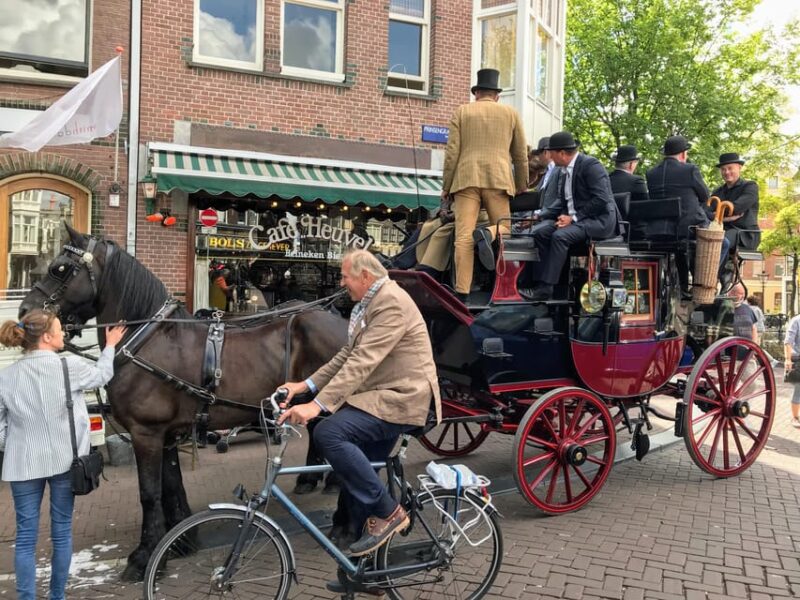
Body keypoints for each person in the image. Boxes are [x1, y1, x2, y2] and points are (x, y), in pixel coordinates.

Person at [277, 250, 441, 558]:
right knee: (358, 476)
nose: (342, 283)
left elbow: (362, 363)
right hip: (381, 395)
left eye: (345, 276)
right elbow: (346, 356)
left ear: (365, 276)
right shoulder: (370, 304)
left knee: (328, 433)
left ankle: (390, 512)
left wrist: (318, 406)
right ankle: (372, 574)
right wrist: (305, 386)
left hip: (402, 397)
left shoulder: (390, 302)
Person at [0, 310, 126, 600]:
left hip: (22, 465)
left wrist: (17, 444)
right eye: (59, 330)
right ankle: (57, 596)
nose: (63, 335)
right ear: (46, 336)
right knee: (61, 533)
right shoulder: (70, 366)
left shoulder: (6, 377)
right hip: (64, 462)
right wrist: (110, 346)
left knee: (25, 539)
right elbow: (103, 375)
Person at [441, 68, 528, 301]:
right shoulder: (511, 114)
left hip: (466, 179)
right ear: (496, 95)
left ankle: (462, 292)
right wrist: (521, 184)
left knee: (463, 238)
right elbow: (520, 154)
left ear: (476, 93)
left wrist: (446, 186)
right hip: (499, 179)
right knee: (505, 229)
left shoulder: (462, 112)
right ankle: (488, 234)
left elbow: (452, 153)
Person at [528, 131, 618, 300]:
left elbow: (602, 199)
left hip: (598, 220)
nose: (551, 158)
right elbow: (563, 203)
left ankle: (547, 288)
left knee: (560, 236)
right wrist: (540, 216)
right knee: (540, 232)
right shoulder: (564, 171)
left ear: (562, 153)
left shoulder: (591, 166)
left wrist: (574, 218)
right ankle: (540, 282)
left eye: (552, 154)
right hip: (575, 219)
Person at [646, 135, 730, 295]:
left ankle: (686, 282)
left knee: (684, 247)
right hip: (687, 228)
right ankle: (706, 281)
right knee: (723, 242)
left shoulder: (651, 173)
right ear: (683, 154)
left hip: (658, 231)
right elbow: (705, 196)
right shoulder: (689, 169)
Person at [414, 207, 489, 279]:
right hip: (457, 214)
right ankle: (407, 263)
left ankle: (430, 268)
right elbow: (446, 201)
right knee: (426, 227)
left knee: (440, 234)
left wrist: (451, 216)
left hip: (477, 217)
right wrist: (444, 210)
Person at [711, 152, 760, 251]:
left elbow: (736, 208)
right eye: (723, 169)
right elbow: (705, 211)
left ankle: (718, 267)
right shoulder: (718, 191)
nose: (726, 172)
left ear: (739, 167)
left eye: (730, 168)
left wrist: (716, 215)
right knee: (698, 239)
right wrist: (725, 219)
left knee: (719, 241)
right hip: (721, 230)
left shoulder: (750, 186)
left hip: (744, 233)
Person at [784, 313, 800, 428]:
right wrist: (788, 359)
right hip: (798, 358)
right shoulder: (796, 321)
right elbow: (788, 341)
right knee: (799, 388)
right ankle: (795, 417)